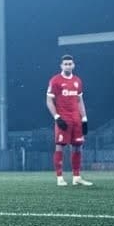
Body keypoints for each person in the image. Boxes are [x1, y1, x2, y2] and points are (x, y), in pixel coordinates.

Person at [45, 54, 92, 187]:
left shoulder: (77, 81)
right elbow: (49, 101)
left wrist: (84, 118)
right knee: (60, 145)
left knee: (78, 147)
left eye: (70, 64)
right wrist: (57, 117)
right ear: (61, 66)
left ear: (73, 65)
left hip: (76, 119)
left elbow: (80, 101)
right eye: (65, 64)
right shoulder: (55, 80)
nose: (68, 66)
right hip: (63, 118)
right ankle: (59, 178)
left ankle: (76, 177)